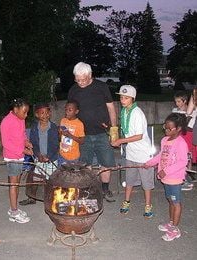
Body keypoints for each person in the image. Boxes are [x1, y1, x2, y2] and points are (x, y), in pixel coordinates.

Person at [68, 62, 117, 202]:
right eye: (77, 80)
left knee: (106, 163)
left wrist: (113, 130)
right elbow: (71, 110)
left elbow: (111, 108)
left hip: (103, 133)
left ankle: (105, 189)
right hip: (83, 135)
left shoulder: (101, 87)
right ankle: (89, 188)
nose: (80, 83)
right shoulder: (73, 90)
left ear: (90, 75)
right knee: (85, 164)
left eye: (83, 79)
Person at [111, 85, 155, 218]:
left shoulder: (137, 113)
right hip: (131, 152)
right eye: (121, 97)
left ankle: (148, 205)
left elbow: (139, 136)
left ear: (133, 98)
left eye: (126, 98)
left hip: (143, 154)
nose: (123, 100)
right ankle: (126, 201)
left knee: (146, 182)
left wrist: (120, 141)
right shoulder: (124, 111)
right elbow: (125, 130)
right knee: (129, 179)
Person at [144, 113, 188, 241]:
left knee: (176, 202)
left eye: (169, 128)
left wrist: (166, 170)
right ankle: (171, 222)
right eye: (165, 127)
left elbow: (182, 161)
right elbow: (160, 156)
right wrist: (149, 163)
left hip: (174, 179)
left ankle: (175, 228)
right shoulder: (164, 140)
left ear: (178, 129)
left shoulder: (181, 143)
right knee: (170, 200)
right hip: (166, 178)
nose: (166, 130)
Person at [0, 98, 33, 223]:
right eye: (24, 112)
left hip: (19, 156)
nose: (26, 115)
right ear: (15, 109)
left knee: (17, 183)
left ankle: (14, 208)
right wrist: (23, 151)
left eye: (27, 112)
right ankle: (14, 212)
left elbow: (23, 134)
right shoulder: (7, 122)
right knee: (13, 184)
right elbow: (6, 143)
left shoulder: (21, 119)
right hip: (12, 156)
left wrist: (26, 142)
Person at [19, 103, 59, 206]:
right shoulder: (34, 128)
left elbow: (55, 145)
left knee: (51, 179)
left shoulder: (53, 127)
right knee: (36, 178)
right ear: (37, 115)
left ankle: (52, 199)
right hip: (39, 157)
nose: (45, 115)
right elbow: (33, 144)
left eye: (47, 113)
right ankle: (32, 197)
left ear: (49, 114)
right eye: (42, 113)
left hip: (51, 159)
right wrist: (38, 155)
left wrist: (48, 156)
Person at [172, 91, 196, 190]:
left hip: (188, 134)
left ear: (185, 101)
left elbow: (189, 116)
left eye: (179, 101)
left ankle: (188, 175)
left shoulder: (192, 111)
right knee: (180, 155)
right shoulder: (175, 110)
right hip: (179, 134)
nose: (177, 103)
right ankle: (181, 175)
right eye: (176, 101)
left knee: (189, 155)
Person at [58, 100, 85, 165]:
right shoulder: (63, 120)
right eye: (66, 109)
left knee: (72, 175)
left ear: (76, 111)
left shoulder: (79, 124)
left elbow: (82, 141)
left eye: (70, 110)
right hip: (62, 155)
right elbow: (59, 139)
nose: (67, 112)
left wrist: (70, 135)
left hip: (73, 157)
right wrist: (60, 133)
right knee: (61, 174)